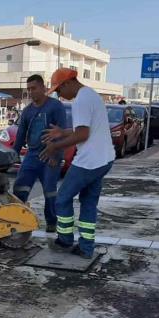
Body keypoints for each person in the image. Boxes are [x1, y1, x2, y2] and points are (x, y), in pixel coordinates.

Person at [40, 68, 115, 259]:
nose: (59, 95)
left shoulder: (81, 100)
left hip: (89, 161)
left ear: (67, 83)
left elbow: (82, 134)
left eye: (58, 90)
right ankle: (86, 247)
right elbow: (81, 128)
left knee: (62, 198)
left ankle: (65, 239)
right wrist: (62, 132)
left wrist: (54, 147)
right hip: (104, 159)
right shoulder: (91, 95)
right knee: (88, 202)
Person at [11, 74, 68, 232]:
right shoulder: (28, 111)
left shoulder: (56, 107)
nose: (31, 92)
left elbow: (62, 132)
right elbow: (21, 135)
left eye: (34, 88)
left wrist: (57, 155)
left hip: (50, 156)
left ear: (44, 88)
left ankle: (51, 222)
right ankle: (18, 220)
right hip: (32, 156)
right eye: (28, 89)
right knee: (19, 188)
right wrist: (11, 156)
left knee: (50, 191)